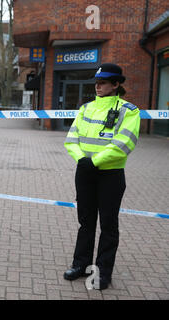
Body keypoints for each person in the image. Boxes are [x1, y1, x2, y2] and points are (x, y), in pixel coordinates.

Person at [63, 63, 140, 290]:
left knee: (108, 226)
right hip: (85, 172)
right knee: (85, 223)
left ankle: (102, 273)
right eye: (96, 82)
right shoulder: (86, 108)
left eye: (103, 82)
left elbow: (123, 143)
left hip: (110, 175)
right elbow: (71, 138)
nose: (98, 86)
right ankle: (80, 265)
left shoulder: (130, 111)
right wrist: (82, 160)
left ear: (116, 85)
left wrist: (93, 161)